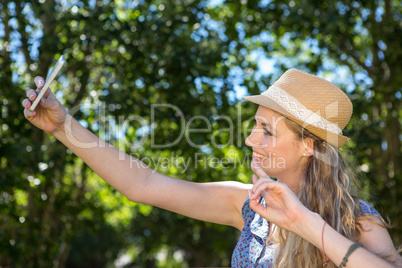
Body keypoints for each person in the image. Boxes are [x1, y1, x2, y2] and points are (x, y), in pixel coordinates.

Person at [22, 68, 401, 267]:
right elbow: (142, 184)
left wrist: (305, 223)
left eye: (266, 130)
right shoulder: (249, 207)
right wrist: (61, 125)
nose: (251, 139)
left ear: (308, 146)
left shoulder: (356, 221)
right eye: (255, 125)